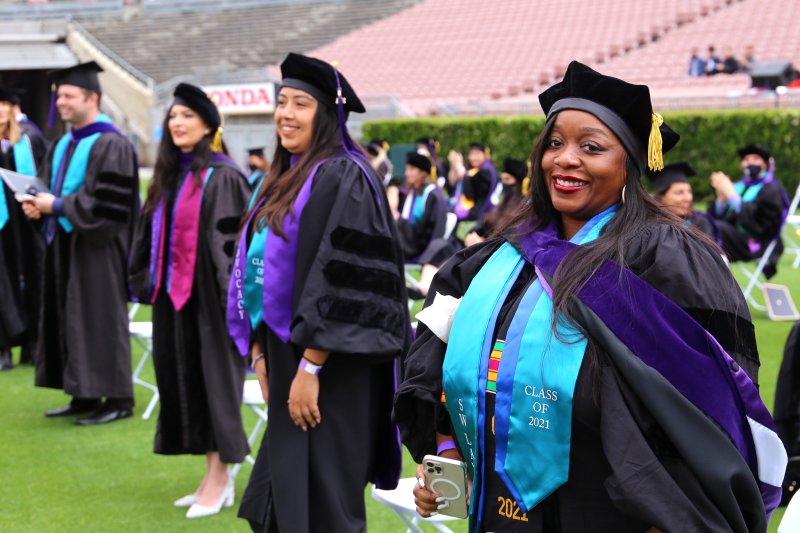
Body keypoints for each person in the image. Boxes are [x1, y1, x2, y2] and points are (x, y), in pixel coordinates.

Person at [395, 61, 783, 532]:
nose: (565, 158)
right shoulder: (495, 262)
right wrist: (449, 455)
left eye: (591, 147)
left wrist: (672, 518)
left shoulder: (664, 261)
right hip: (499, 514)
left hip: (610, 516)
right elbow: (434, 369)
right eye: (555, 143)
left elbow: (707, 407)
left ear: (630, 165)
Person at [229, 52, 409, 533]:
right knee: (280, 497)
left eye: (301, 104)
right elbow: (256, 270)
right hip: (285, 356)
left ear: (327, 114)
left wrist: (310, 367)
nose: (286, 114)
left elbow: (347, 282)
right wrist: (262, 354)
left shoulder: (345, 175)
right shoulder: (283, 179)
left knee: (325, 502)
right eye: (282, 101)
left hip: (331, 365)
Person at [128, 83, 251, 519]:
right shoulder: (170, 175)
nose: (177, 123)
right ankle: (211, 476)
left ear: (208, 126)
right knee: (189, 385)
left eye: (187, 116)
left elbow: (232, 251)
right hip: (172, 300)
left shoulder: (225, 176)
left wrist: (231, 308)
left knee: (215, 385)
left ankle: (221, 479)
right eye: (173, 116)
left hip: (212, 304)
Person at [21, 61, 139, 425]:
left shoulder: (112, 144)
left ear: (93, 98)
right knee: (71, 318)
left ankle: (119, 398)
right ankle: (84, 392)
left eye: (69, 96)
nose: (61, 102)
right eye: (60, 96)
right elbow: (44, 187)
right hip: (66, 245)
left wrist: (55, 205)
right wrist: (34, 204)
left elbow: (108, 207)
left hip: (100, 247)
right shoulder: (62, 144)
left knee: (100, 319)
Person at [0, 87, 47, 370]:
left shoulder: (27, 141)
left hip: (26, 223)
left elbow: (42, 176)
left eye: (4, 104)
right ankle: (3, 346)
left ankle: (33, 342)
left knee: (32, 276)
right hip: (1, 225)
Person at [708, 143, 789, 278]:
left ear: (766, 164)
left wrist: (732, 197)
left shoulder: (771, 189)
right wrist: (721, 199)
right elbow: (717, 216)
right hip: (734, 240)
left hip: (756, 244)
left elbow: (764, 225)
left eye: (756, 158)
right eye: (746, 159)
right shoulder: (740, 186)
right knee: (704, 222)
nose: (750, 162)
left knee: (714, 227)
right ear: (741, 165)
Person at [647, 161, 720, 244]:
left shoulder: (700, 223)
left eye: (689, 192)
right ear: (661, 198)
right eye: (679, 192)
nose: (688, 198)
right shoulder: (651, 226)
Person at [464, 157, 529, 247]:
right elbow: (482, 225)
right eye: (502, 179)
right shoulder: (500, 204)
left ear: (518, 184)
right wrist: (471, 234)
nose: (504, 183)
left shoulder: (522, 212)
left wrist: (481, 244)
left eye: (507, 179)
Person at [394, 151, 447, 261]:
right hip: (407, 241)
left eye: (412, 169)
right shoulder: (412, 193)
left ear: (423, 173)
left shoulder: (433, 196)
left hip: (419, 248)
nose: (407, 173)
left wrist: (399, 220)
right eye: (406, 169)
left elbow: (435, 232)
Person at [448, 142, 497, 221]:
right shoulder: (471, 170)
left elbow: (471, 194)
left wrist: (460, 167)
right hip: (464, 208)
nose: (473, 157)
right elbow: (452, 184)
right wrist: (453, 165)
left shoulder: (486, 172)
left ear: (485, 155)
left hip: (478, 213)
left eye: (477, 154)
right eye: (471, 154)